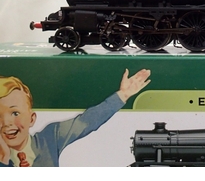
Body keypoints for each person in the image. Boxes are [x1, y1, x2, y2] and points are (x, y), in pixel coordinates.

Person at [0, 68, 151, 166]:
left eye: (15, 113)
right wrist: (4, 161)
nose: (6, 122)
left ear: (32, 118)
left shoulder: (50, 137)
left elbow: (86, 121)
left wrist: (122, 95)